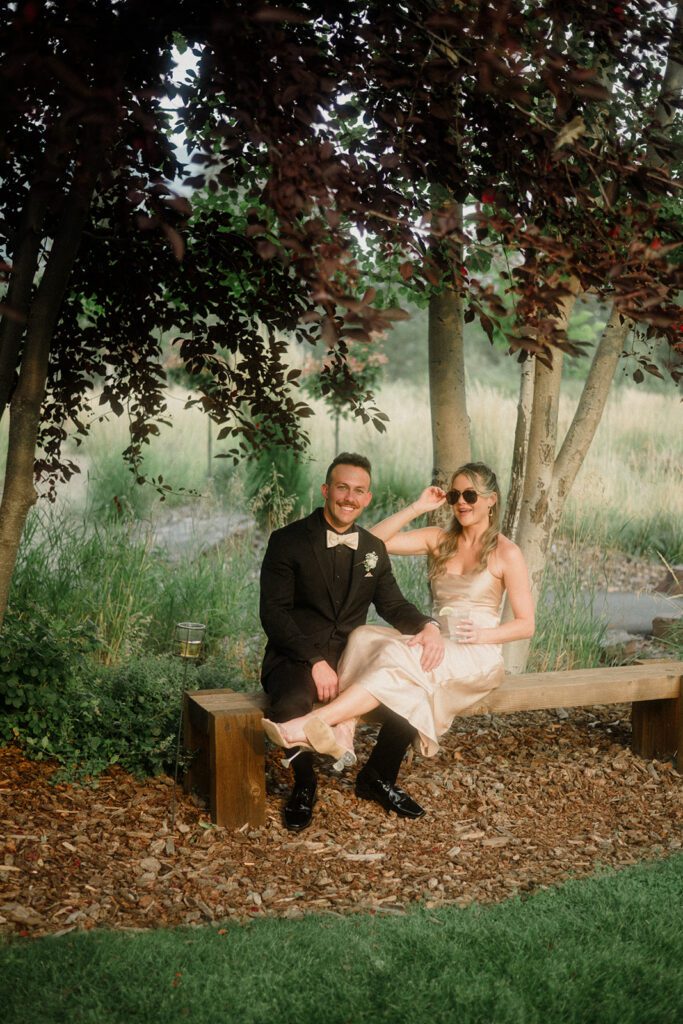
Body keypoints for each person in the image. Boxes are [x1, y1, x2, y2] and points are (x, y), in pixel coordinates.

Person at [266, 462, 534, 779]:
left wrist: (483, 634)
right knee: (363, 636)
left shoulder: (507, 553)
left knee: (402, 653)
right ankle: (345, 732)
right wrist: (418, 507)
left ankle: (314, 723)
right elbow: (371, 542)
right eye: (454, 495)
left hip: (476, 652)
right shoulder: (440, 539)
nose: (461, 502)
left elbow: (526, 624)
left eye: (470, 495)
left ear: (491, 499)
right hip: (438, 642)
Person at [259, 452, 445, 831]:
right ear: (326, 490)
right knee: (292, 702)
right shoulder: (287, 541)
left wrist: (428, 626)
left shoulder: (373, 548)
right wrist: (314, 661)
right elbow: (273, 614)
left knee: (410, 687)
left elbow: (393, 605)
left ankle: (377, 777)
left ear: (368, 498)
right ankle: (305, 784)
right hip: (295, 656)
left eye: (358, 491)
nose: (349, 497)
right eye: (342, 488)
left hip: (352, 658)